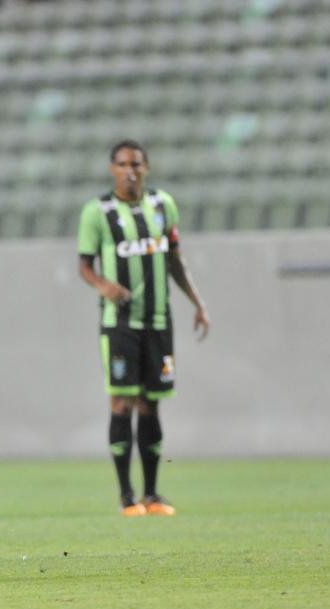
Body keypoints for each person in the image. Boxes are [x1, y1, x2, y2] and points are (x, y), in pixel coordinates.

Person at [77, 140, 210, 517]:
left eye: (136, 164)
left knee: (151, 405)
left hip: (157, 320)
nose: (129, 170)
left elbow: (174, 260)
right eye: (122, 164)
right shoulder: (97, 212)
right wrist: (104, 285)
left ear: (146, 167)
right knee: (122, 402)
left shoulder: (163, 206)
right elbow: (84, 266)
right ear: (112, 169)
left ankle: (152, 495)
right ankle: (126, 497)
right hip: (119, 323)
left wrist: (198, 304)